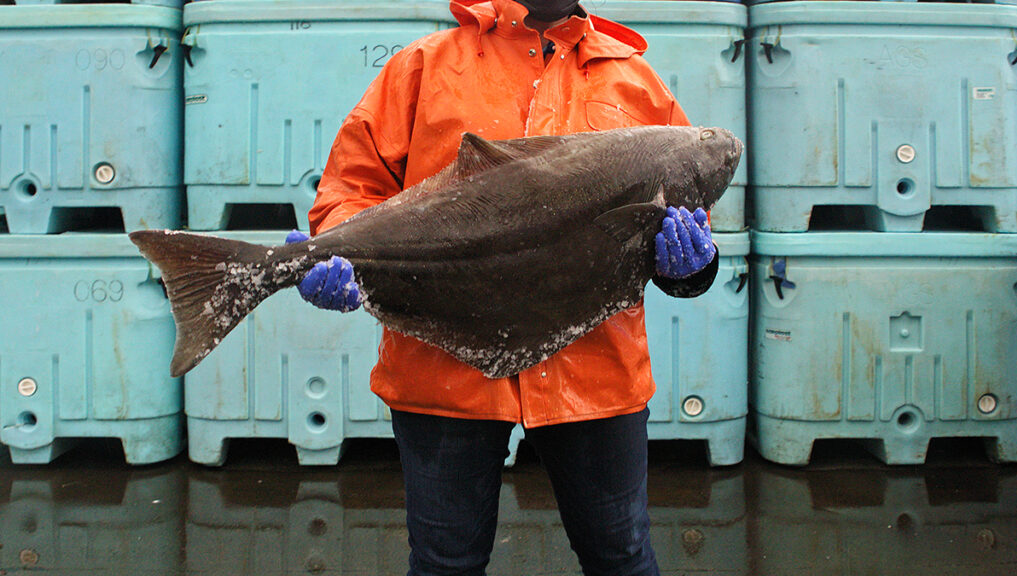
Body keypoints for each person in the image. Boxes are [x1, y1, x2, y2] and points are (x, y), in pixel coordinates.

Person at [287, 1, 720, 574]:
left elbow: (683, 234)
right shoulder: (425, 65)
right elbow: (351, 186)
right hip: (443, 374)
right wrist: (337, 252)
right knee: (445, 563)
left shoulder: (637, 81)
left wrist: (690, 267)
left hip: (597, 377)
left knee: (622, 557)